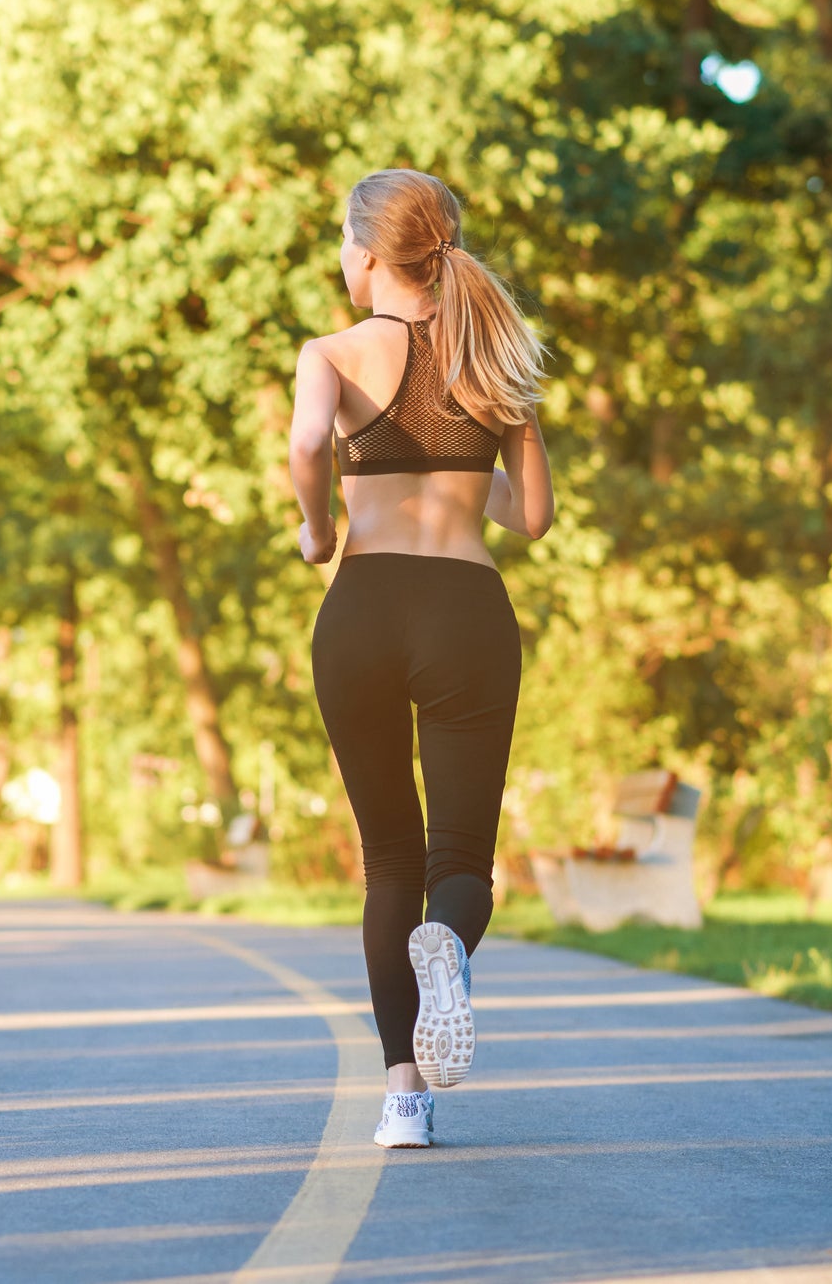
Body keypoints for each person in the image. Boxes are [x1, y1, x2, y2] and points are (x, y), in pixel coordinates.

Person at [288, 168, 555, 1148]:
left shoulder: (331, 351)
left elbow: (309, 441)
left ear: (365, 255)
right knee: (456, 863)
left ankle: (403, 1095)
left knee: (387, 858)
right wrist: (461, 477)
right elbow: (530, 515)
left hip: (360, 611)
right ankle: (447, 942)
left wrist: (316, 530)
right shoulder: (497, 354)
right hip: (464, 611)